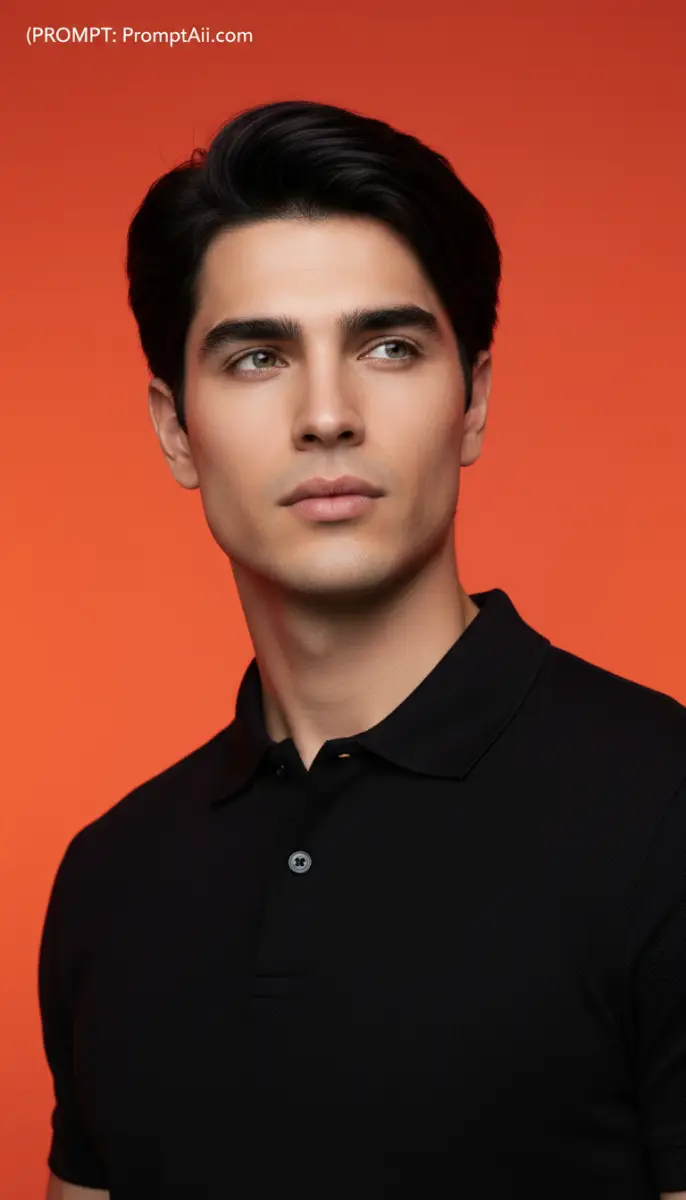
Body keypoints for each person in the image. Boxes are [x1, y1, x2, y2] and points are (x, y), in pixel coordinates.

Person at [39, 99, 686, 1200]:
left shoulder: (663, 808)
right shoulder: (109, 877)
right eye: (256, 358)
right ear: (171, 427)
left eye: (387, 347)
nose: (326, 413)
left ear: (472, 399)